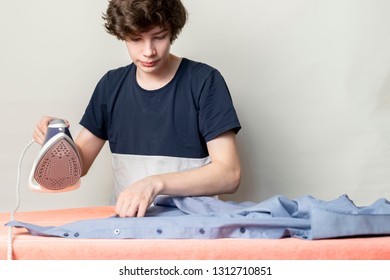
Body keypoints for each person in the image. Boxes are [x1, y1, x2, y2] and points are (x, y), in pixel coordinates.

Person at [33, 0, 241, 218]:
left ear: (172, 32)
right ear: (122, 35)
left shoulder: (204, 81)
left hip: (192, 227)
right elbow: (77, 168)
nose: (148, 51)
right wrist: (56, 140)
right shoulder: (111, 85)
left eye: (159, 37)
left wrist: (154, 184)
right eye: (136, 39)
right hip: (127, 226)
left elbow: (229, 174)